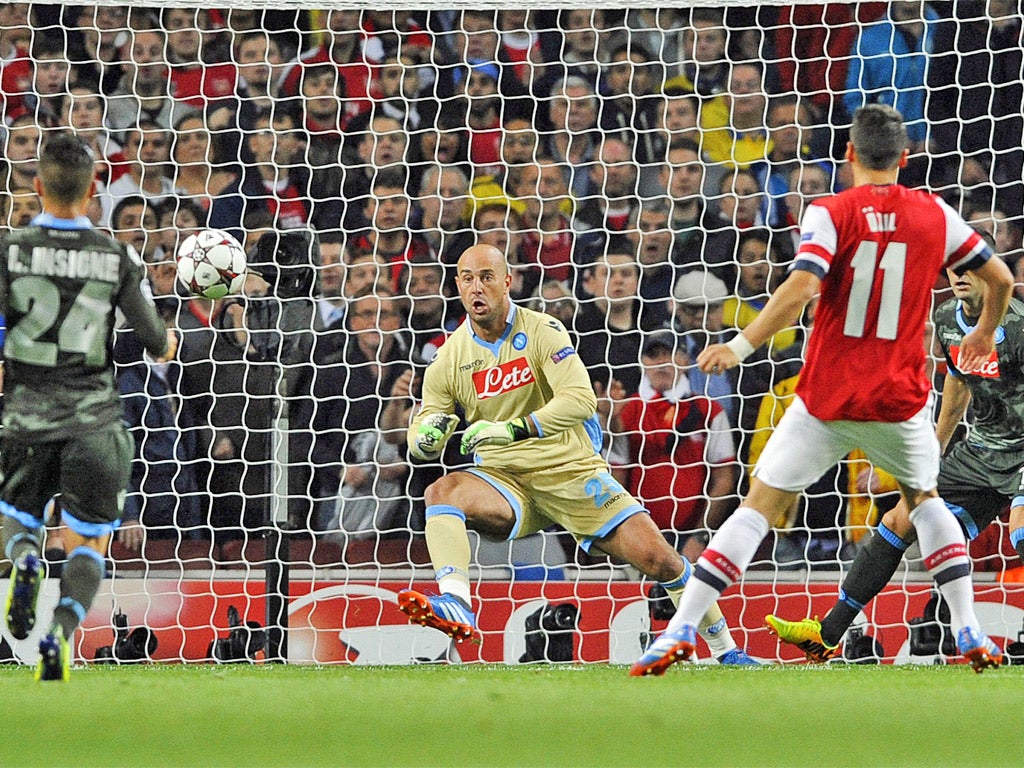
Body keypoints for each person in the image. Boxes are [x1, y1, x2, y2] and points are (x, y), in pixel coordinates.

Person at [631, 104, 1014, 677]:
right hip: (899, 399)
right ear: (904, 158)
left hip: (828, 396)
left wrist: (739, 345)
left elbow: (804, 284)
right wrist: (984, 331)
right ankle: (968, 627)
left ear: (851, 156)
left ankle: (681, 627)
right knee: (925, 503)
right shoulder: (935, 213)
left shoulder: (830, 211)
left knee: (758, 507)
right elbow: (1000, 278)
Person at [398, 243, 756, 666]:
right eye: (468, 278)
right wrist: (421, 437)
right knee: (443, 490)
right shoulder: (448, 359)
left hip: (570, 472)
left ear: (507, 282)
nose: (477, 287)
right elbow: (428, 424)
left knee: (662, 561)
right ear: (457, 285)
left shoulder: (543, 331)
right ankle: (455, 602)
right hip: (506, 483)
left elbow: (581, 400)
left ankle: (725, 651)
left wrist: (512, 428)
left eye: (487, 277)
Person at [767, 248, 1024, 661]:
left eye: (970, 269)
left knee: (1021, 529)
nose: (959, 276)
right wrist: (934, 453)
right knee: (900, 519)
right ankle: (828, 632)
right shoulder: (945, 320)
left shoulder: (1019, 325)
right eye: (953, 269)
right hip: (983, 449)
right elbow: (957, 388)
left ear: (994, 276)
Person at [0, 132, 176, 681]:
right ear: (94, 188)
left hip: (26, 414)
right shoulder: (114, 256)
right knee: (89, 540)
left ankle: (27, 554)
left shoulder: (9, 251)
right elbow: (156, 341)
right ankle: (59, 632)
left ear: (37, 186)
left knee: (15, 517)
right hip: (96, 421)